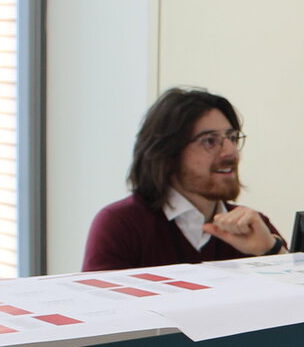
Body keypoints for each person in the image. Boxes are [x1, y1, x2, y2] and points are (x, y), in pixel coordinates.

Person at [82, 87, 287, 271]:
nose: (231, 152)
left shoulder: (254, 227)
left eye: (232, 138)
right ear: (169, 153)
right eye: (209, 141)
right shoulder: (121, 225)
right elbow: (96, 310)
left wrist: (269, 249)